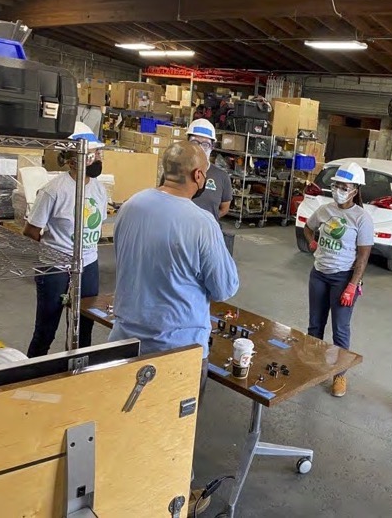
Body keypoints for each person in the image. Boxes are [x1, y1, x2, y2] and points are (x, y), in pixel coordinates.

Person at [107, 141, 238, 514]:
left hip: (125, 339)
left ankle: (125, 488)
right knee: (175, 429)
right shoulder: (200, 222)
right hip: (176, 350)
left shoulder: (132, 206)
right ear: (199, 176)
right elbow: (225, 286)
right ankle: (172, 498)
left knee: (130, 421)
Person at [24, 121, 107, 357]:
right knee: (47, 327)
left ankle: (76, 373)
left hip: (88, 263)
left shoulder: (99, 189)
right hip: (55, 265)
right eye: (93, 153)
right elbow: (31, 230)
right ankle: (33, 372)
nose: (99, 157)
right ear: (72, 158)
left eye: (98, 152)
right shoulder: (54, 190)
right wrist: (57, 248)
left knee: (84, 325)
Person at [303, 162, 374, 398]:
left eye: (344, 186)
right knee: (315, 325)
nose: (339, 190)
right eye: (336, 185)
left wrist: (352, 285)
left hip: (342, 279)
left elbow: (363, 256)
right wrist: (312, 242)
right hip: (319, 275)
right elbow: (307, 227)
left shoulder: (361, 218)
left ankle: (340, 375)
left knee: (340, 330)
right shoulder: (324, 210)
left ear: (355, 190)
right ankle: (312, 369)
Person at [186, 119, 232, 222]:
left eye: (205, 144)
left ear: (212, 147)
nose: (200, 148)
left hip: (207, 234)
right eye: (195, 142)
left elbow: (224, 208)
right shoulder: (175, 172)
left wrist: (207, 222)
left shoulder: (222, 177)